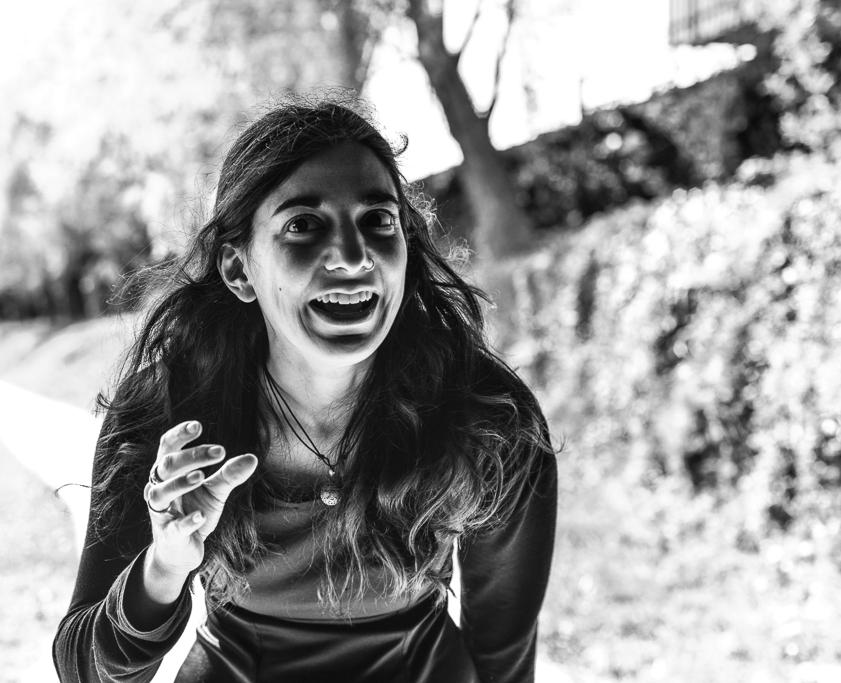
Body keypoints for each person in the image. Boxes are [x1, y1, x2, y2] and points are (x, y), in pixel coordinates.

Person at [53, 95, 558, 683]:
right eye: (303, 225)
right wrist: (163, 567)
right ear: (239, 269)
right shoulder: (168, 412)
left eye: (378, 220)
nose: (353, 257)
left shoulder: (489, 416)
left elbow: (504, 660)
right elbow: (85, 672)